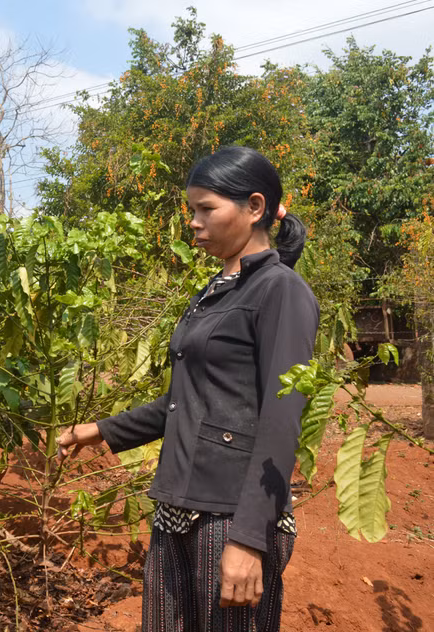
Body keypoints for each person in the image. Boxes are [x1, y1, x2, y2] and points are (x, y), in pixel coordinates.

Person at [57, 146, 319, 632]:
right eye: (192, 210)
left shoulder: (280, 290)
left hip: (228, 515)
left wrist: (248, 538)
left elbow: (283, 419)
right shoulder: (215, 291)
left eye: (206, 209)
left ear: (255, 207)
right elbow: (187, 401)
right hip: (177, 504)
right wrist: (100, 430)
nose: (194, 223)